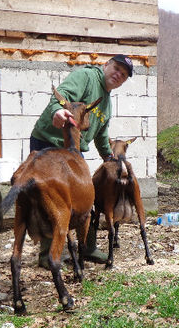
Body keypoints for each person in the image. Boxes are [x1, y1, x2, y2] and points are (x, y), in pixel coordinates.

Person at [29, 54, 134, 267]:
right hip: (49, 141)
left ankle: (87, 247)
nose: (118, 75)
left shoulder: (107, 103)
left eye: (123, 75)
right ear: (106, 65)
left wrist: (109, 158)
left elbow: (101, 135)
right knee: (53, 200)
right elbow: (61, 96)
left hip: (74, 149)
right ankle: (48, 254)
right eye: (116, 68)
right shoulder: (86, 77)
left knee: (87, 195)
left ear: (123, 82)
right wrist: (58, 110)